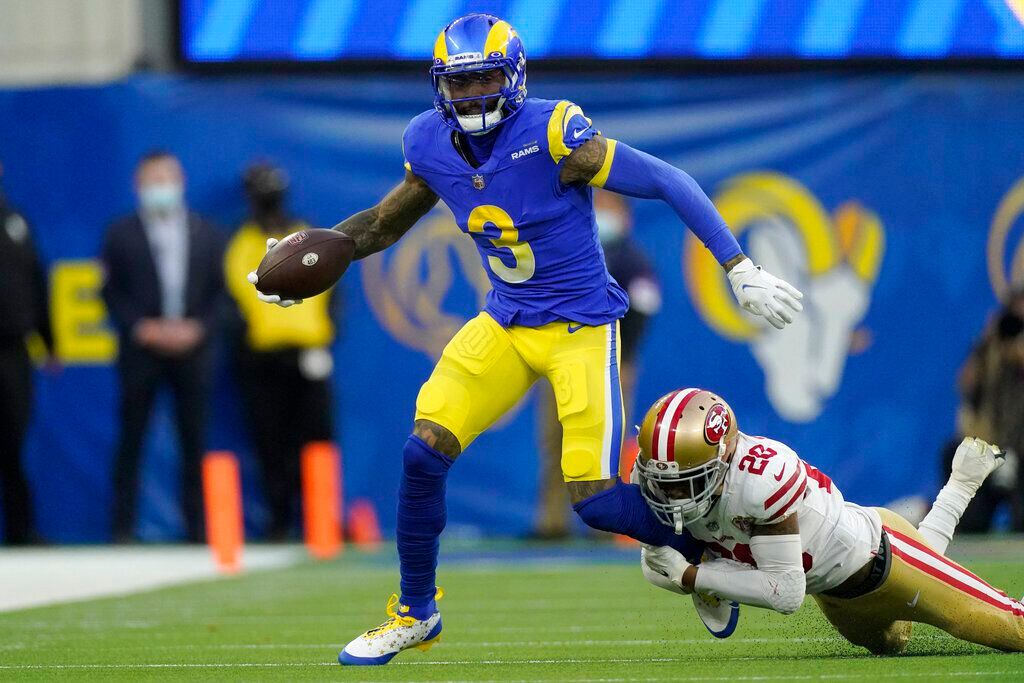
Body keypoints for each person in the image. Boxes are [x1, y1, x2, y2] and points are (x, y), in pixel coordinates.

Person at [246, 14, 803, 666]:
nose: (474, 92)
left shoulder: (554, 132)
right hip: (506, 321)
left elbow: (666, 180)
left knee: (593, 501)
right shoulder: (428, 142)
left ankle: (707, 552)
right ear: (438, 86)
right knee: (422, 453)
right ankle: (415, 612)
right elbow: (377, 226)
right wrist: (314, 255)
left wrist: (738, 265)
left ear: (511, 77)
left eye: (485, 76)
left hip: (579, 329)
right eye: (460, 81)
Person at [634, 388, 1023, 654]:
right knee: (897, 637)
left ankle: (960, 487)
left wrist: (692, 577)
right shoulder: (666, 483)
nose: (674, 497)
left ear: (723, 460)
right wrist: (694, 573)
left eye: (689, 482)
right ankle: (960, 485)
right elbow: (657, 563)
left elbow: (785, 592)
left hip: (885, 555)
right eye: (665, 483)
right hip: (837, 595)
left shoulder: (761, 479)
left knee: (1013, 628)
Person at [101, 150, 226, 543]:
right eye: (152, 181)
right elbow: (110, 291)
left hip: (193, 351)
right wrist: (142, 326)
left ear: (181, 182)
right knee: (132, 437)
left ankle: (197, 529)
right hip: (142, 351)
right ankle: (122, 528)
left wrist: (198, 329)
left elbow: (221, 293)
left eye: (166, 180)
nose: (161, 188)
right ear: (139, 186)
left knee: (195, 439)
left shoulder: (207, 232)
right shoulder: (119, 234)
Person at [533, 190, 661, 539]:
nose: (601, 212)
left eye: (609, 207)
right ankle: (552, 523)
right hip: (563, 362)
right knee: (555, 442)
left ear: (626, 215)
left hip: (609, 365)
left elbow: (644, 308)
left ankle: (605, 524)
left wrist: (627, 357)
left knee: (601, 443)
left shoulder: (632, 260)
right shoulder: (572, 252)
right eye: (597, 206)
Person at [224, 162, 337, 540]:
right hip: (263, 359)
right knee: (270, 443)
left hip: (309, 356)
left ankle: (322, 522)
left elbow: (333, 289)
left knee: (317, 441)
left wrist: (326, 338)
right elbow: (234, 303)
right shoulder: (240, 244)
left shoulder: (306, 235)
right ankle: (278, 522)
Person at [0, 160, 56, 544]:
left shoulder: (14, 220)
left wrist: (49, 341)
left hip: (13, 349)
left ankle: (22, 529)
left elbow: (37, 281)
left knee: (14, 440)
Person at [954, 291, 1024, 531]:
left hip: (1021, 451)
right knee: (971, 524)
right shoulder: (990, 352)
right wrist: (986, 342)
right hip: (992, 449)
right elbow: (965, 383)